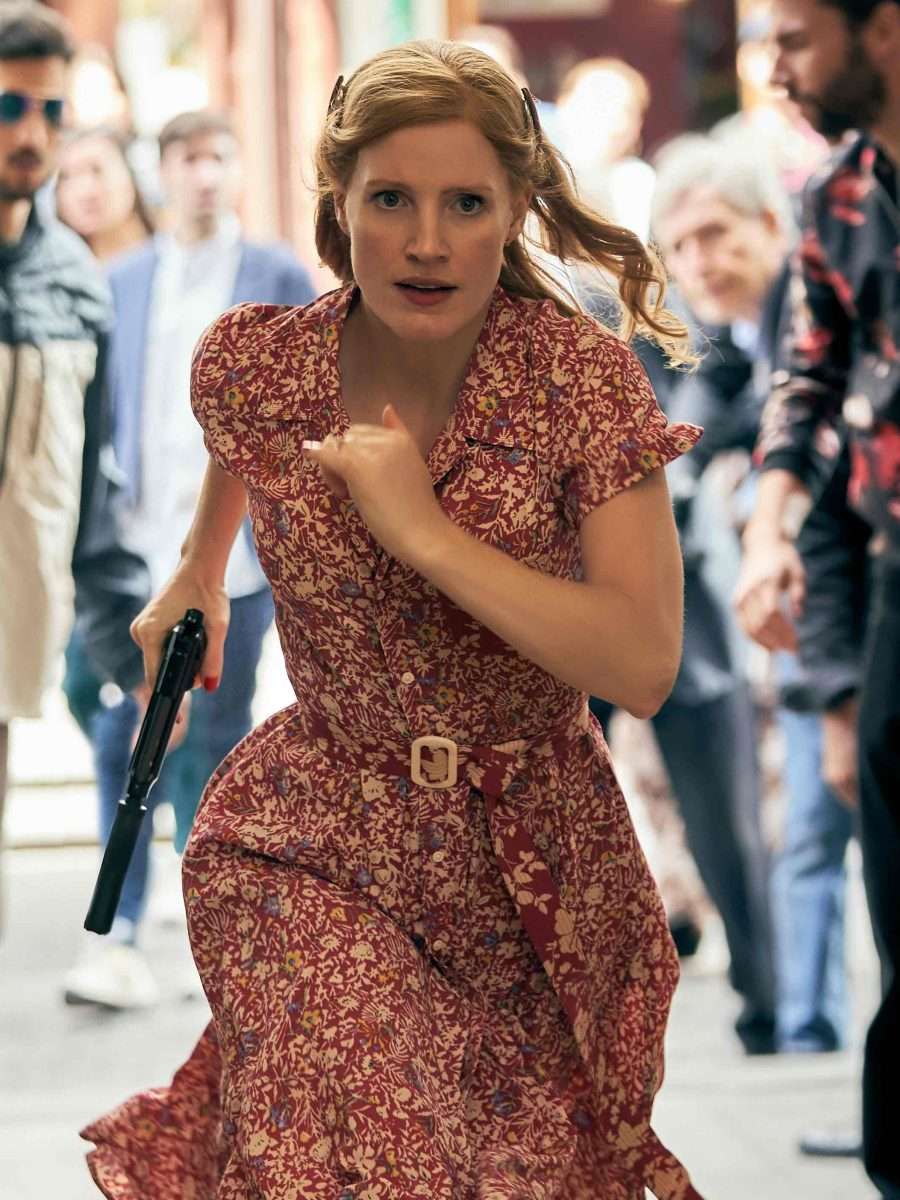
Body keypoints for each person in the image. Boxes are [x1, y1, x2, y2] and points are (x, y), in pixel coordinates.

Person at [80, 40, 706, 1198]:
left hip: (536, 873)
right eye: (390, 201)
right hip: (308, 840)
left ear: (515, 209)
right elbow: (244, 437)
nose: (426, 242)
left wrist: (425, 534)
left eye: (466, 203)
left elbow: (643, 662)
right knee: (374, 1160)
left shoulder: (581, 382)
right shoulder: (261, 363)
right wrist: (198, 571)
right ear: (339, 201)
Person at [61, 109, 317, 1010]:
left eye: (218, 157)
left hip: (239, 559)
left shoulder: (278, 274)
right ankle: (121, 931)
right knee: (120, 731)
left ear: (237, 169)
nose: (204, 175)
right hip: (137, 548)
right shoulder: (125, 278)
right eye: (187, 159)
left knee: (220, 736)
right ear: (162, 173)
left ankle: (208, 930)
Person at [734, 0, 900, 1193]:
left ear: (880, 27)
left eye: (795, 37)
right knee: (897, 894)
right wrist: (770, 530)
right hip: (896, 578)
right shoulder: (836, 195)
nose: (776, 68)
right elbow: (805, 382)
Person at [652, 129, 861, 1054]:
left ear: (772, 226)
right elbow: (713, 394)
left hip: (842, 599)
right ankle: (802, 1020)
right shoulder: (729, 336)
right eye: (681, 245)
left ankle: (802, 1017)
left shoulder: (805, 316)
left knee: (813, 818)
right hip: (806, 609)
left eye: (716, 234)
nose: (701, 260)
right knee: (808, 822)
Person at [0, 3, 148, 928]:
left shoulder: (76, 286)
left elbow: (92, 494)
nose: (32, 135)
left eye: (50, 112)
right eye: (9, 107)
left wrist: (131, 652)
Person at [556, 58, 656, 241]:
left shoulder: (638, 180)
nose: (616, 121)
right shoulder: (538, 173)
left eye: (626, 111)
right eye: (599, 104)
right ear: (563, 105)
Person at [55, 125, 154, 263]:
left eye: (96, 170)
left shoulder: (171, 255)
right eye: (65, 177)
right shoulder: (57, 270)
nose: (84, 191)